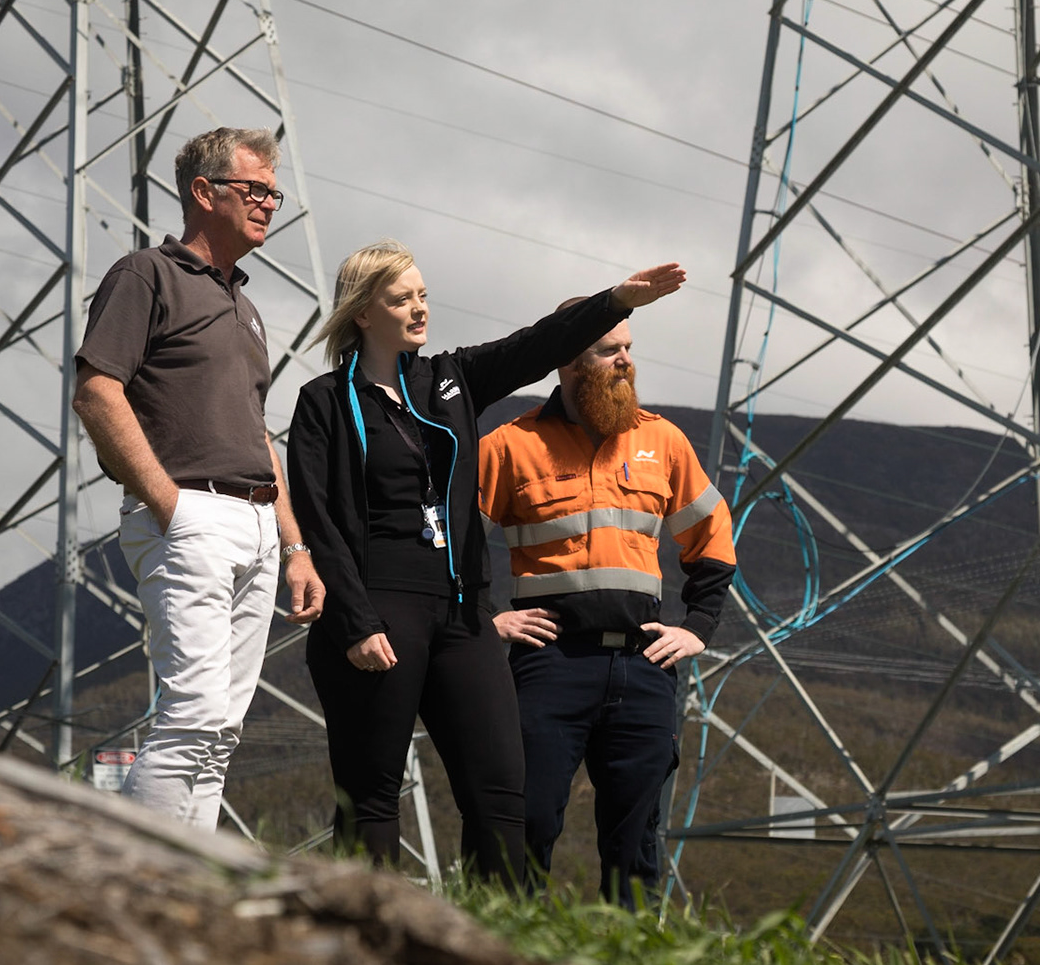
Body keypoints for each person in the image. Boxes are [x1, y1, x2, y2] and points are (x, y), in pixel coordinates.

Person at [287, 241, 685, 882]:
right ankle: (369, 945)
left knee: (503, 796)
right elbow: (321, 521)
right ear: (363, 312)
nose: (418, 309)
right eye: (400, 299)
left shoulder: (451, 379)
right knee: (371, 802)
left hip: (462, 614)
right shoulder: (326, 402)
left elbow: (536, 344)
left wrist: (613, 303)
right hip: (378, 610)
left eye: (421, 295)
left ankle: (494, 942)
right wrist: (356, 624)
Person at [72, 126, 325, 830]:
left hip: (256, 528)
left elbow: (256, 432)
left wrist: (296, 546)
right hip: (191, 517)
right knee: (194, 715)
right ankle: (132, 871)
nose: (270, 203)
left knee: (220, 731)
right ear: (203, 192)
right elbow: (96, 390)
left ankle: (187, 886)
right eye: (255, 189)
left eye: (275, 192)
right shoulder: (144, 274)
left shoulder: (245, 308)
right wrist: (169, 504)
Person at [477, 308, 735, 904]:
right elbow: (448, 537)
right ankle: (508, 959)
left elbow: (711, 533)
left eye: (628, 348)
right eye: (607, 350)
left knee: (635, 844)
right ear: (566, 360)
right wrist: (485, 617)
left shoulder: (661, 439)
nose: (626, 361)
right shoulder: (511, 445)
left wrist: (698, 626)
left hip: (646, 669)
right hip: (548, 664)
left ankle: (630, 962)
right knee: (529, 823)